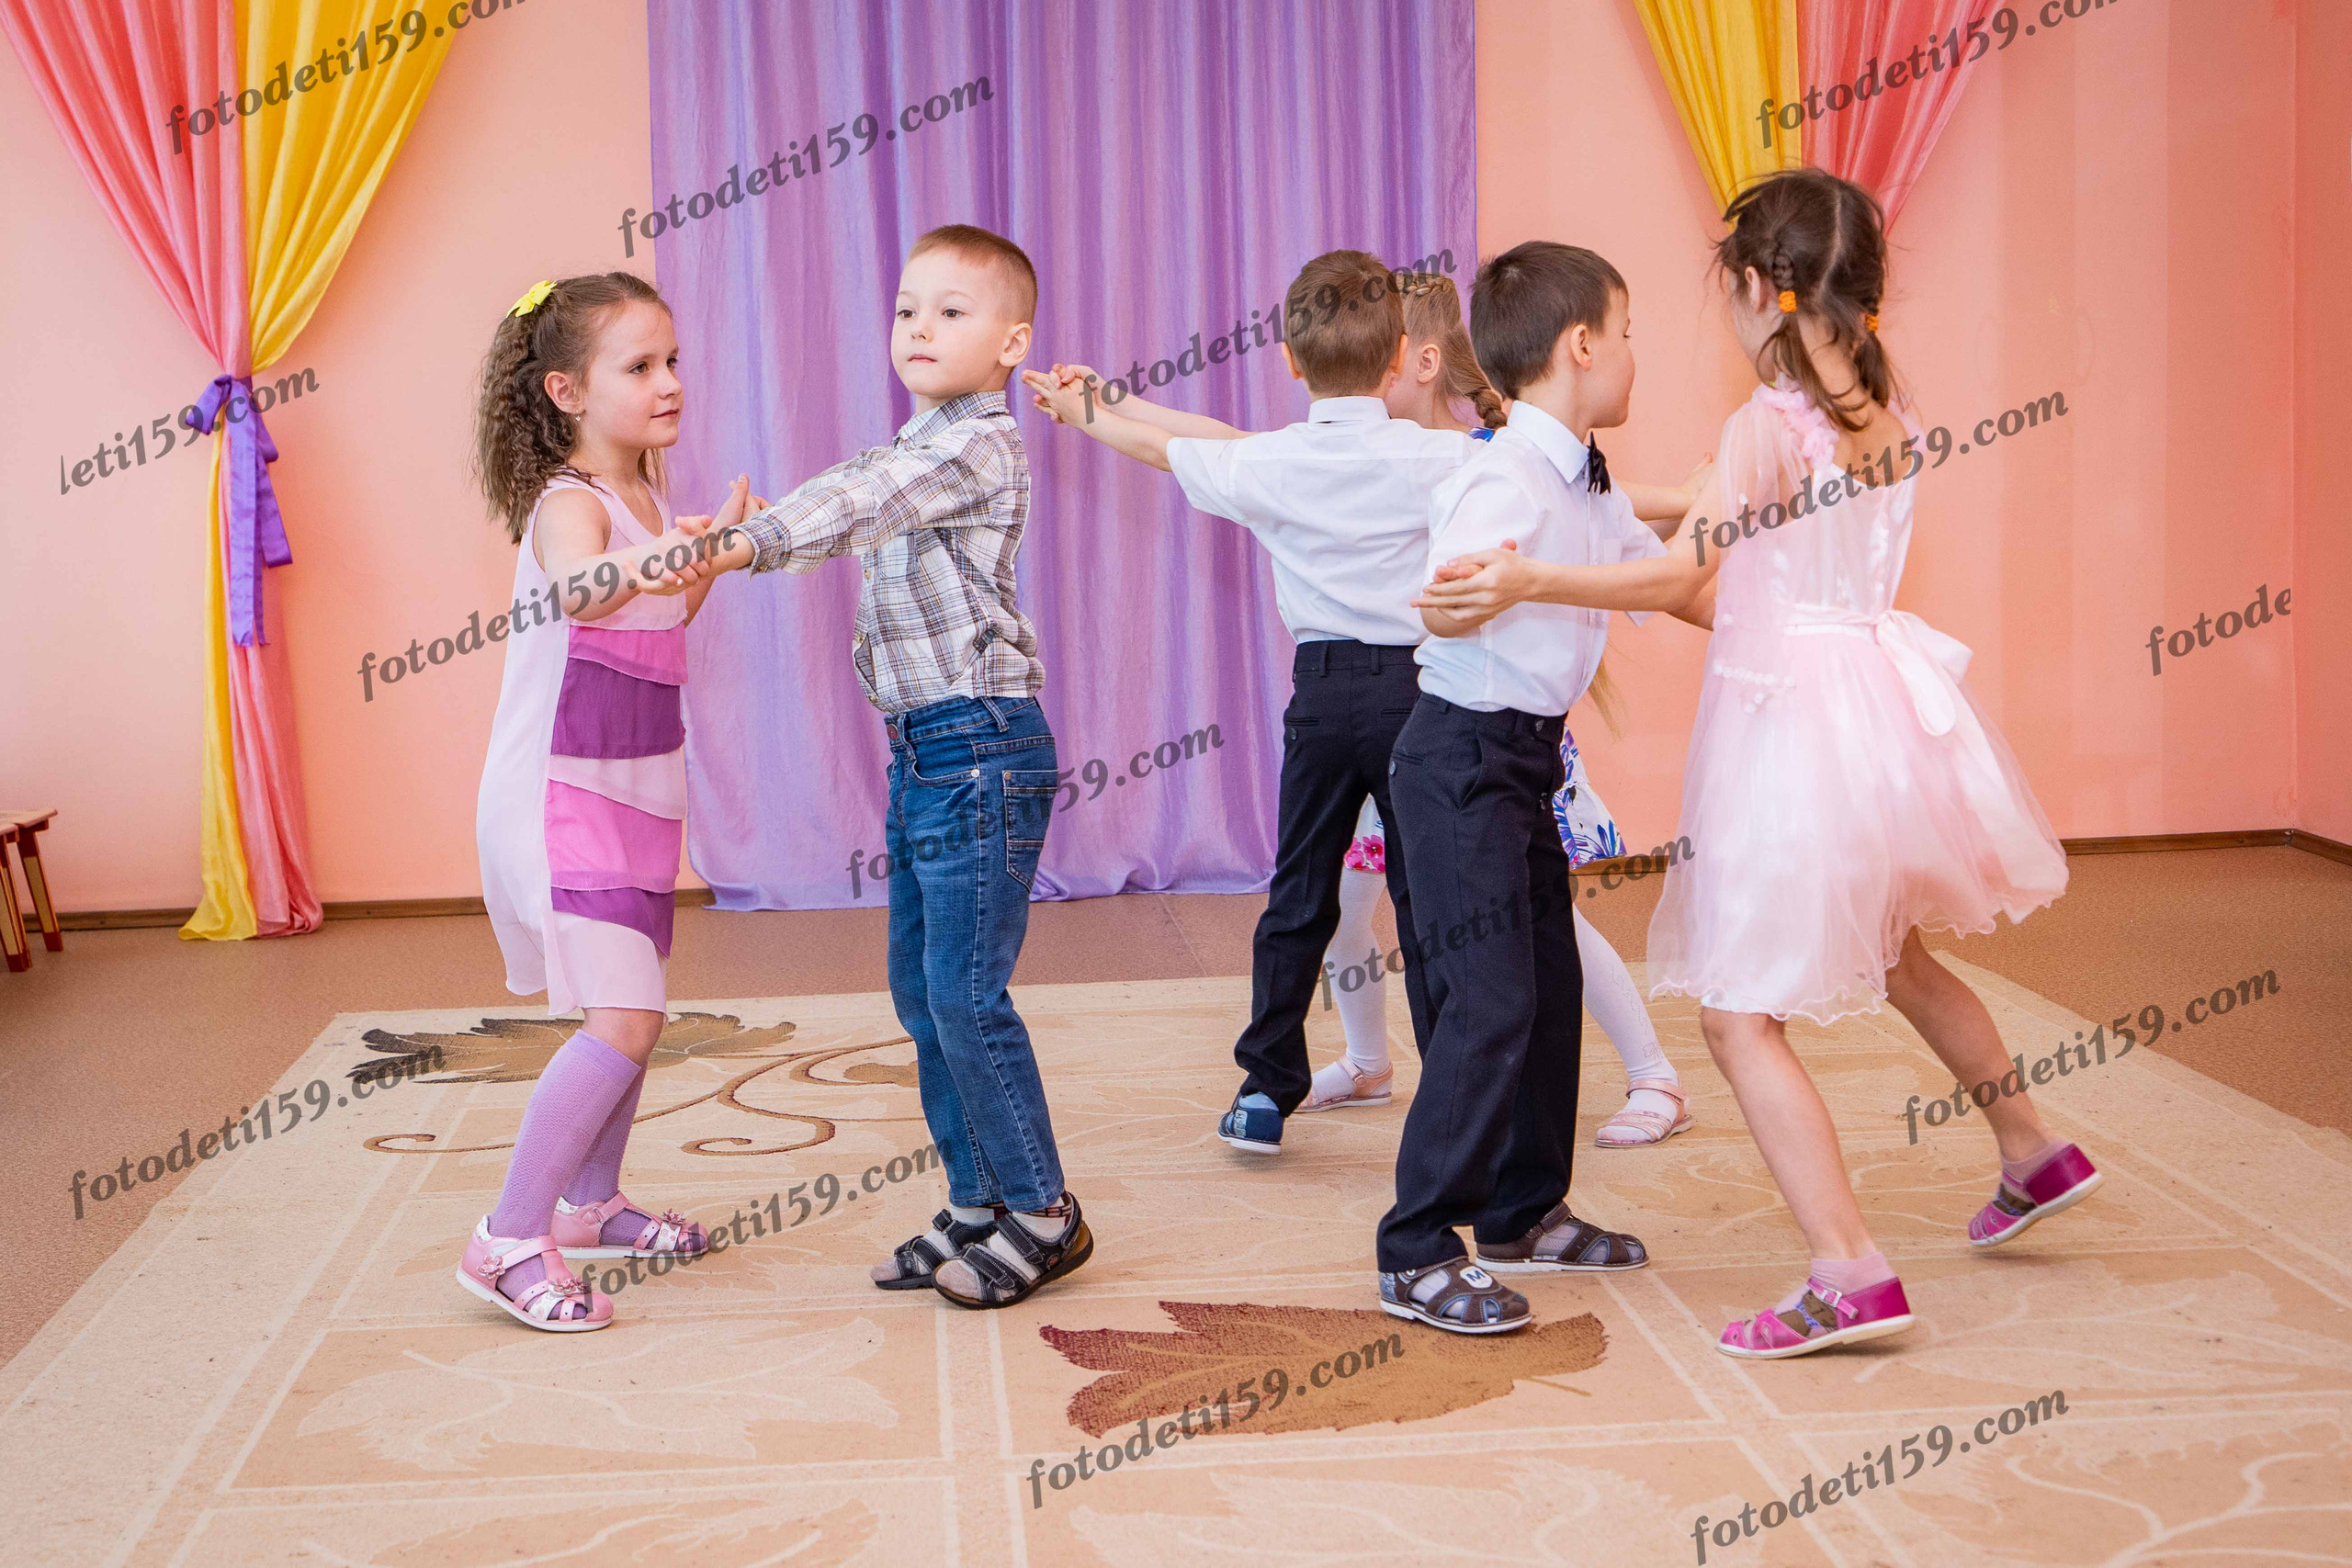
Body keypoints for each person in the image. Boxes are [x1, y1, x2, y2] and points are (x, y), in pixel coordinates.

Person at [1416, 169, 2092, 1359]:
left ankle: (1847, 1268)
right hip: (1878, 712)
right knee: (1898, 950)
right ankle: (2034, 1144)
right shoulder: (1882, 414)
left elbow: (1687, 573)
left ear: (1752, 288)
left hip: (1793, 726)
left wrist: (1534, 576)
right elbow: (1734, 520)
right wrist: (1635, 507)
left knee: (1738, 1015)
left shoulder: (1763, 424)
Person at [694, 225, 1092, 1310]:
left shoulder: (975, 446)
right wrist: (747, 529)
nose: (919, 325)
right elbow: (853, 482)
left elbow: (854, 507)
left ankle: (1045, 1213)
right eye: (908, 306)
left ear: (1013, 343)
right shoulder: (916, 443)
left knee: (966, 995)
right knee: (922, 995)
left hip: (980, 749)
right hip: (927, 748)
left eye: (952, 312)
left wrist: (746, 546)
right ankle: (977, 1201)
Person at [1020, 250, 1471, 1158]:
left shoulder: (1271, 462)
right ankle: (1455, 1093)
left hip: (1323, 700)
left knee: (1298, 892)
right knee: (1428, 899)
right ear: (1396, 360)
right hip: (1419, 699)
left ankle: (1268, 1088)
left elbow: (1175, 445)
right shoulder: (1440, 456)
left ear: (1290, 362)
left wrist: (1089, 410)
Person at [1299, 275, 1698, 1150]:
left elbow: (1613, 503)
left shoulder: (1487, 453)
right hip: (1418, 723)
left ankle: (1652, 1074)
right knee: (1352, 894)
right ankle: (1370, 1060)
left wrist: (1714, 502)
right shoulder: (1399, 455)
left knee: (1538, 926)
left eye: (1387, 355)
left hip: (1488, 725)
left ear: (1418, 362)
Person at [1375, 243, 1664, 1336]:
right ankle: (1414, 1248)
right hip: (1456, 762)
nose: (1635, 355)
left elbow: (1666, 575)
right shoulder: (1501, 473)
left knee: (1541, 990)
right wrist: (1455, 601)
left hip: (1522, 761)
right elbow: (1445, 591)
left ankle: (1522, 1212)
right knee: (1487, 998)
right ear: (1582, 344)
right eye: (1627, 332)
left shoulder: (1582, 474)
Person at [462, 272, 747, 1330]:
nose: (670, 382)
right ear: (567, 392)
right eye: (640, 366)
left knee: (633, 1011)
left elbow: (661, 613)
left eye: (673, 360)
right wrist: (677, 550)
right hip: (562, 794)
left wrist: (703, 554)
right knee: (621, 1018)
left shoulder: (643, 501)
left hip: (634, 784)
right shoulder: (569, 507)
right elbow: (589, 589)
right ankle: (504, 1238)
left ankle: (591, 1204)